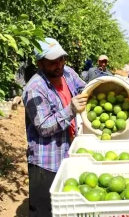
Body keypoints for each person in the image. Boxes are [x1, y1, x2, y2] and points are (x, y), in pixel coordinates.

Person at [22, 37, 88, 217]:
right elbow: (43, 126)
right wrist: (71, 110)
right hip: (47, 163)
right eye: (52, 62)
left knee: (66, 207)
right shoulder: (35, 89)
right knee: (45, 210)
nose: (59, 65)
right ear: (40, 63)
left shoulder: (67, 73)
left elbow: (84, 88)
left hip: (69, 154)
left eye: (61, 59)